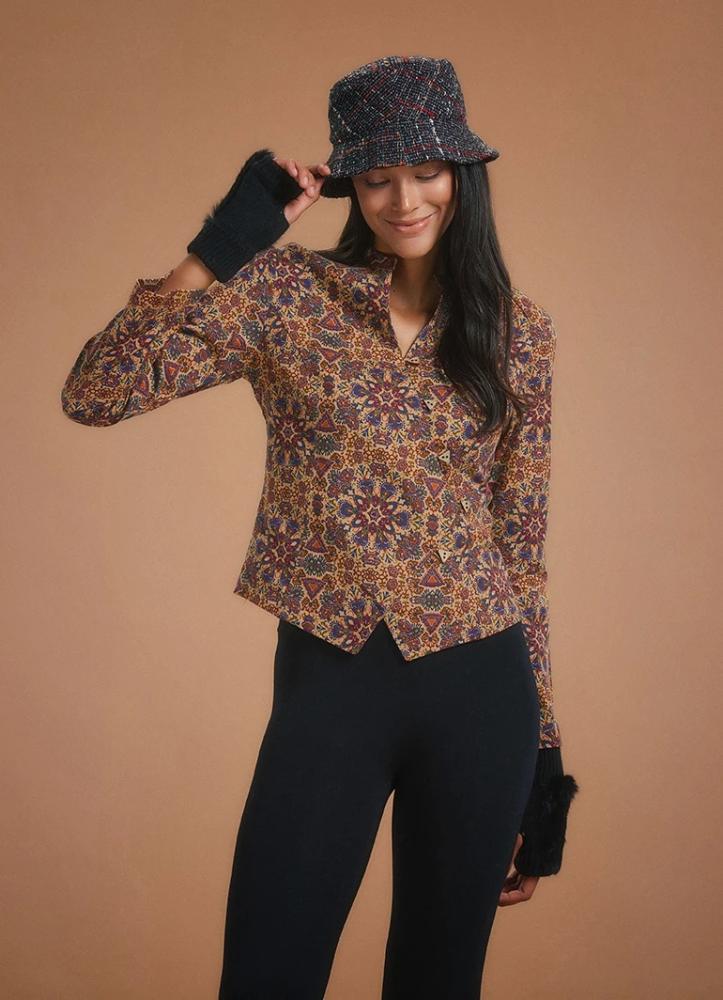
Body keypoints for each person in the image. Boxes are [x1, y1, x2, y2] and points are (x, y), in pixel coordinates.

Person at [61, 55, 579, 1000]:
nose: (403, 199)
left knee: (438, 982)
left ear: (461, 174)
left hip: (482, 687)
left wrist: (544, 756)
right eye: (376, 177)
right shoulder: (286, 296)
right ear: (349, 187)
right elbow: (95, 393)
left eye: (425, 171)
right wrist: (220, 246)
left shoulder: (521, 334)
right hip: (332, 676)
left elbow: (521, 551)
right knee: (268, 972)